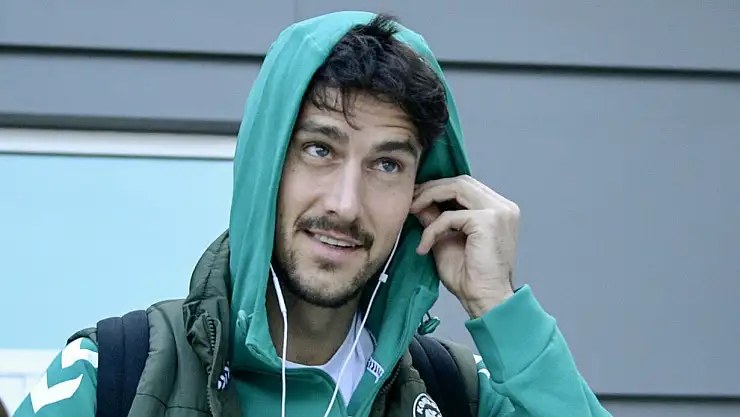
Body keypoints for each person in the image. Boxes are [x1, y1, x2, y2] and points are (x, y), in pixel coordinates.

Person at [13, 11, 611, 417]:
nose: (345, 204)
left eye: (387, 164)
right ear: (266, 164)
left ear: (423, 192)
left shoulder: (465, 394)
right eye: (319, 149)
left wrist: (500, 310)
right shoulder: (110, 376)